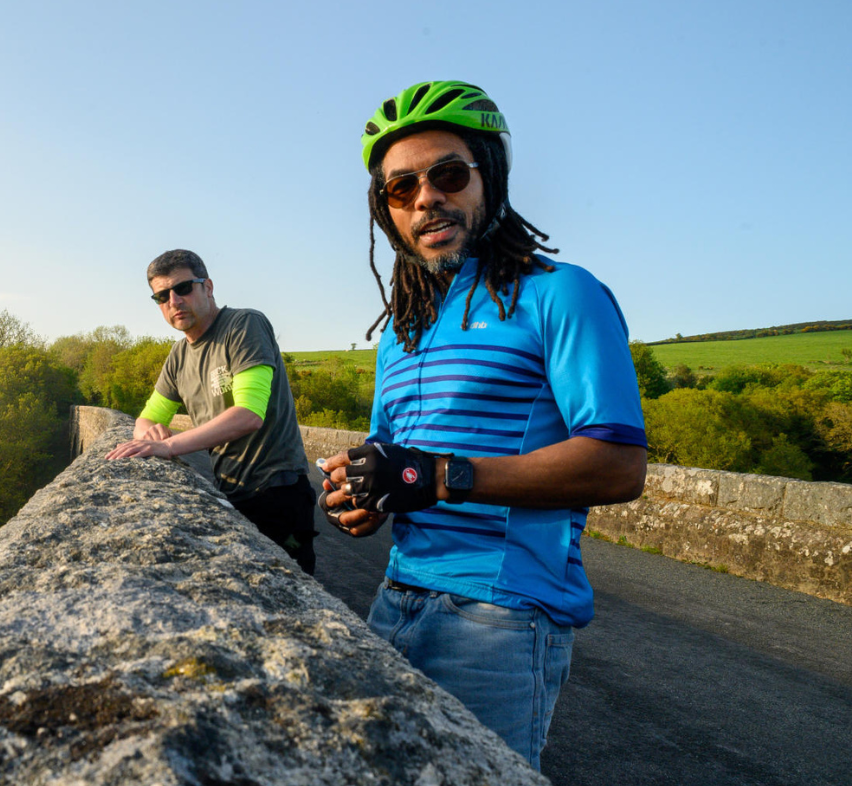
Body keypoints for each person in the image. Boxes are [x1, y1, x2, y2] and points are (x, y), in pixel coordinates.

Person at [318, 81, 648, 770]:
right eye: (399, 190)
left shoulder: (561, 293)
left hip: (502, 614)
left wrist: (436, 476)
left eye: (447, 175)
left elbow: (618, 465)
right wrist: (364, 496)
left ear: (488, 179)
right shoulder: (401, 332)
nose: (424, 199)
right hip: (397, 595)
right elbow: (393, 459)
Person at [106, 249, 317, 573]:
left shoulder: (243, 325)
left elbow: (249, 414)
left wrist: (167, 445)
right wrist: (149, 433)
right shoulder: (179, 355)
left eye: (183, 288)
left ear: (208, 287)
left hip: (277, 492)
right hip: (230, 491)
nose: (174, 301)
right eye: (162, 296)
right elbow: (148, 417)